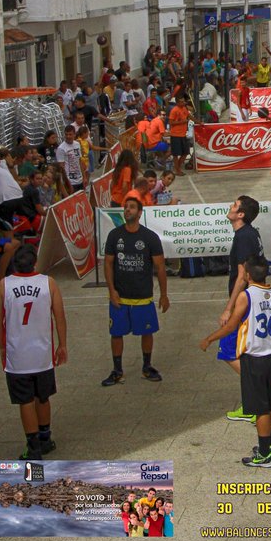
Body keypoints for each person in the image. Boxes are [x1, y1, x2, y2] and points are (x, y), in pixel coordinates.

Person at [200, 256, 271, 468]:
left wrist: (210, 338)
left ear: (247, 275)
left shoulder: (246, 296)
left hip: (254, 358)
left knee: (260, 409)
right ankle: (269, 447)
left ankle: (264, 455)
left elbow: (231, 326)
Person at [0, 244, 67, 461]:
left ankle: (33, 447)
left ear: (15, 263)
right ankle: (45, 438)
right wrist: (62, 344)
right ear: (35, 262)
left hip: (18, 356)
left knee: (25, 401)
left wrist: (2, 346)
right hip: (43, 353)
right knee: (42, 397)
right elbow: (59, 316)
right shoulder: (48, 283)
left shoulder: (4, 286)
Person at [101, 195, 168, 386]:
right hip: (119, 296)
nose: (127, 210)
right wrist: (111, 290)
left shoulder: (149, 238)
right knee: (116, 333)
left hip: (143, 295)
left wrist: (164, 295)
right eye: (125, 207)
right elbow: (108, 264)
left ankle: (147, 367)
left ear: (139, 213)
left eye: (131, 207)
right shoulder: (115, 236)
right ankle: (117, 370)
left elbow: (161, 267)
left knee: (147, 333)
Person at [217, 196, 264, 423]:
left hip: (244, 302)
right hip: (250, 300)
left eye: (234, 205)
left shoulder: (244, 236)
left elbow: (241, 277)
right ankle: (252, 403)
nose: (230, 207)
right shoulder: (248, 234)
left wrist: (229, 308)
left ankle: (257, 398)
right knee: (243, 351)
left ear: (241, 214)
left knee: (227, 349)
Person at [55, 125, 84, 193]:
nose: (68, 136)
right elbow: (61, 168)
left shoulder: (77, 144)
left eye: (70, 134)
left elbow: (80, 161)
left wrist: (84, 177)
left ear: (74, 134)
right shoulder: (61, 148)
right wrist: (67, 183)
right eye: (66, 134)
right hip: (70, 181)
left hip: (80, 179)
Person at [168, 94, 190, 175]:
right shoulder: (174, 110)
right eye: (181, 102)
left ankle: (177, 168)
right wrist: (182, 122)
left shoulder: (184, 108)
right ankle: (177, 170)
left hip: (183, 134)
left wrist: (199, 122)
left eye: (183, 101)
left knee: (185, 153)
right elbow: (170, 122)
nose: (183, 103)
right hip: (175, 135)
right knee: (175, 154)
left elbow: (189, 116)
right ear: (177, 103)